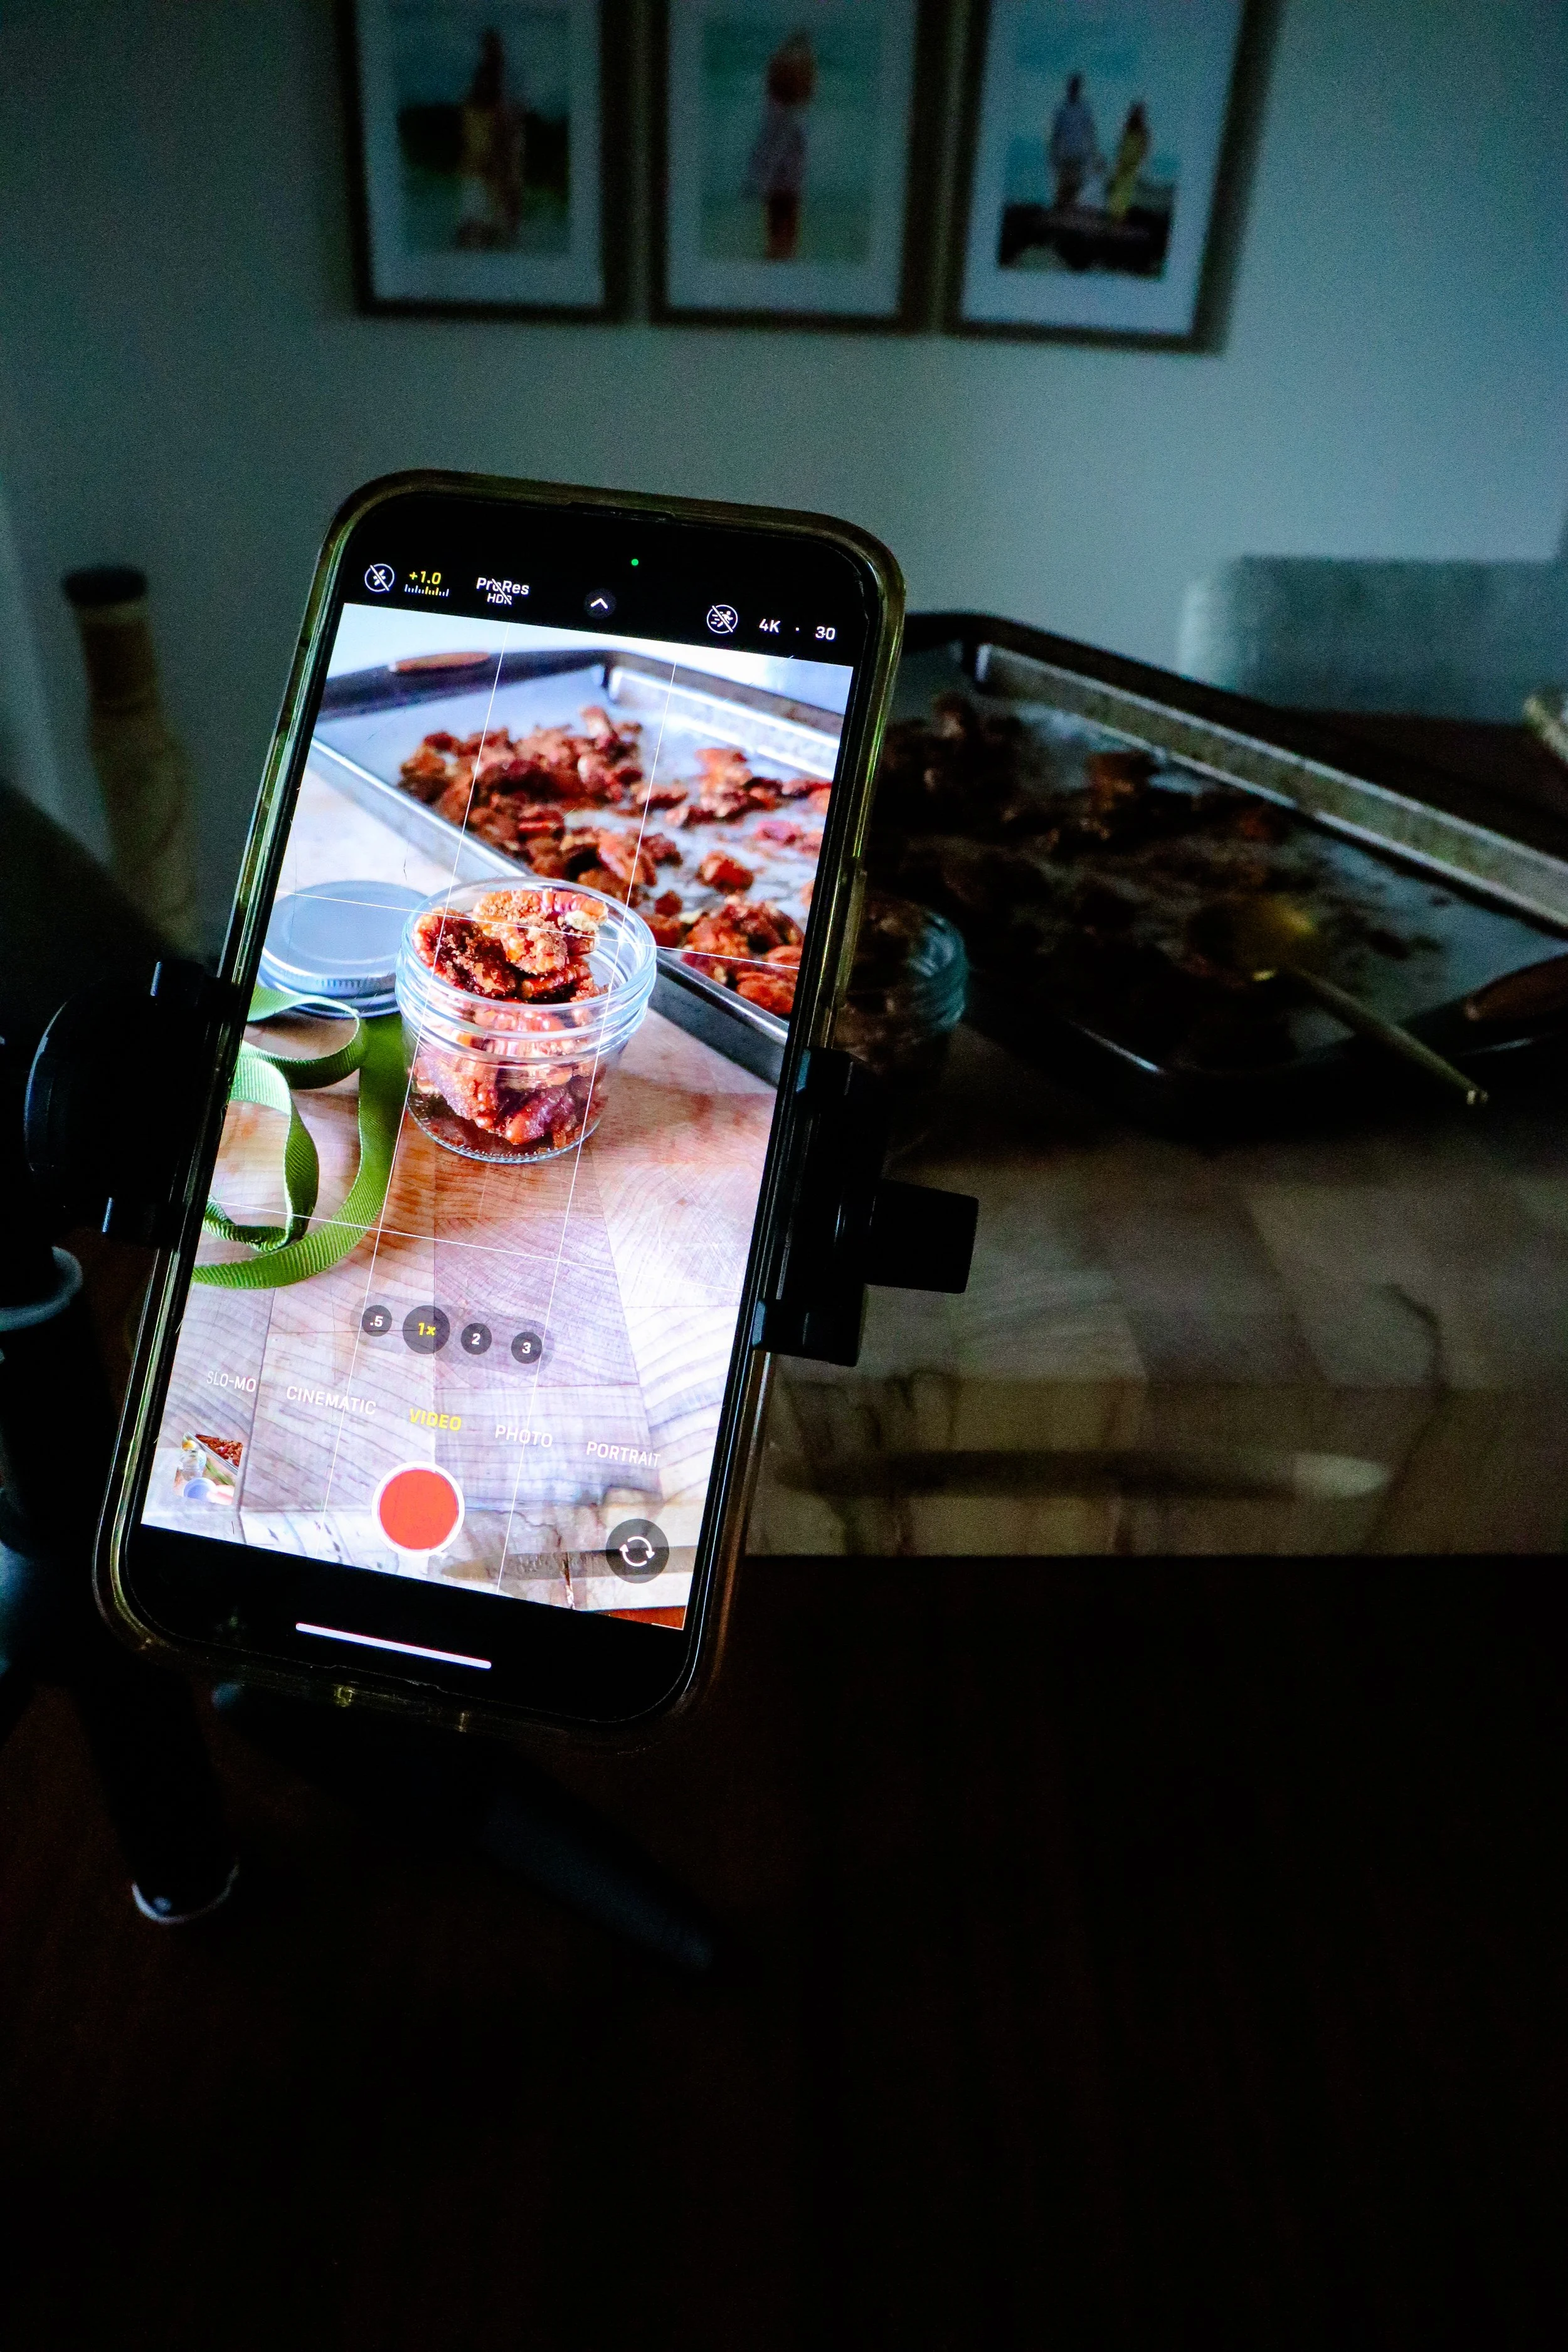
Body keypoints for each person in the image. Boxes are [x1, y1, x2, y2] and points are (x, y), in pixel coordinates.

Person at [746, 30, 817, 261]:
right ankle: (783, 250)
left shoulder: (777, 104)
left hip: (785, 144)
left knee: (779, 203)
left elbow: (766, 148)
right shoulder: (790, 106)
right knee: (787, 201)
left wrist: (757, 176)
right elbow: (805, 91)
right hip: (790, 147)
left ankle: (778, 249)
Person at [455, 28, 524, 249]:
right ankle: (485, 229)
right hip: (487, 141)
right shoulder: (487, 75)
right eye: (489, 47)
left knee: (502, 186)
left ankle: (499, 229)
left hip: (499, 141)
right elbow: (475, 109)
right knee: (485, 188)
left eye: (493, 46)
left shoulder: (505, 76)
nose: (491, 51)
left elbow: (512, 111)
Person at [1047, 72, 1099, 212]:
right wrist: (1053, 153)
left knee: (1076, 184)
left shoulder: (1085, 109)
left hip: (1080, 152)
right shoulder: (1062, 109)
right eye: (1072, 86)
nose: (1074, 89)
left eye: (1076, 86)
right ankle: (1061, 210)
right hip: (1064, 152)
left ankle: (1068, 210)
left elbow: (1090, 131)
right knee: (1064, 183)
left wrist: (1093, 152)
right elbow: (1056, 133)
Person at [1105, 101, 1150, 220]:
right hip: (1123, 162)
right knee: (1118, 188)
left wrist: (1137, 162)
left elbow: (1144, 148)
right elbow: (1123, 145)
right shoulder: (1129, 127)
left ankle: (1119, 216)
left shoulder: (1142, 130)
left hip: (1131, 164)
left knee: (1124, 189)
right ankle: (1114, 214)